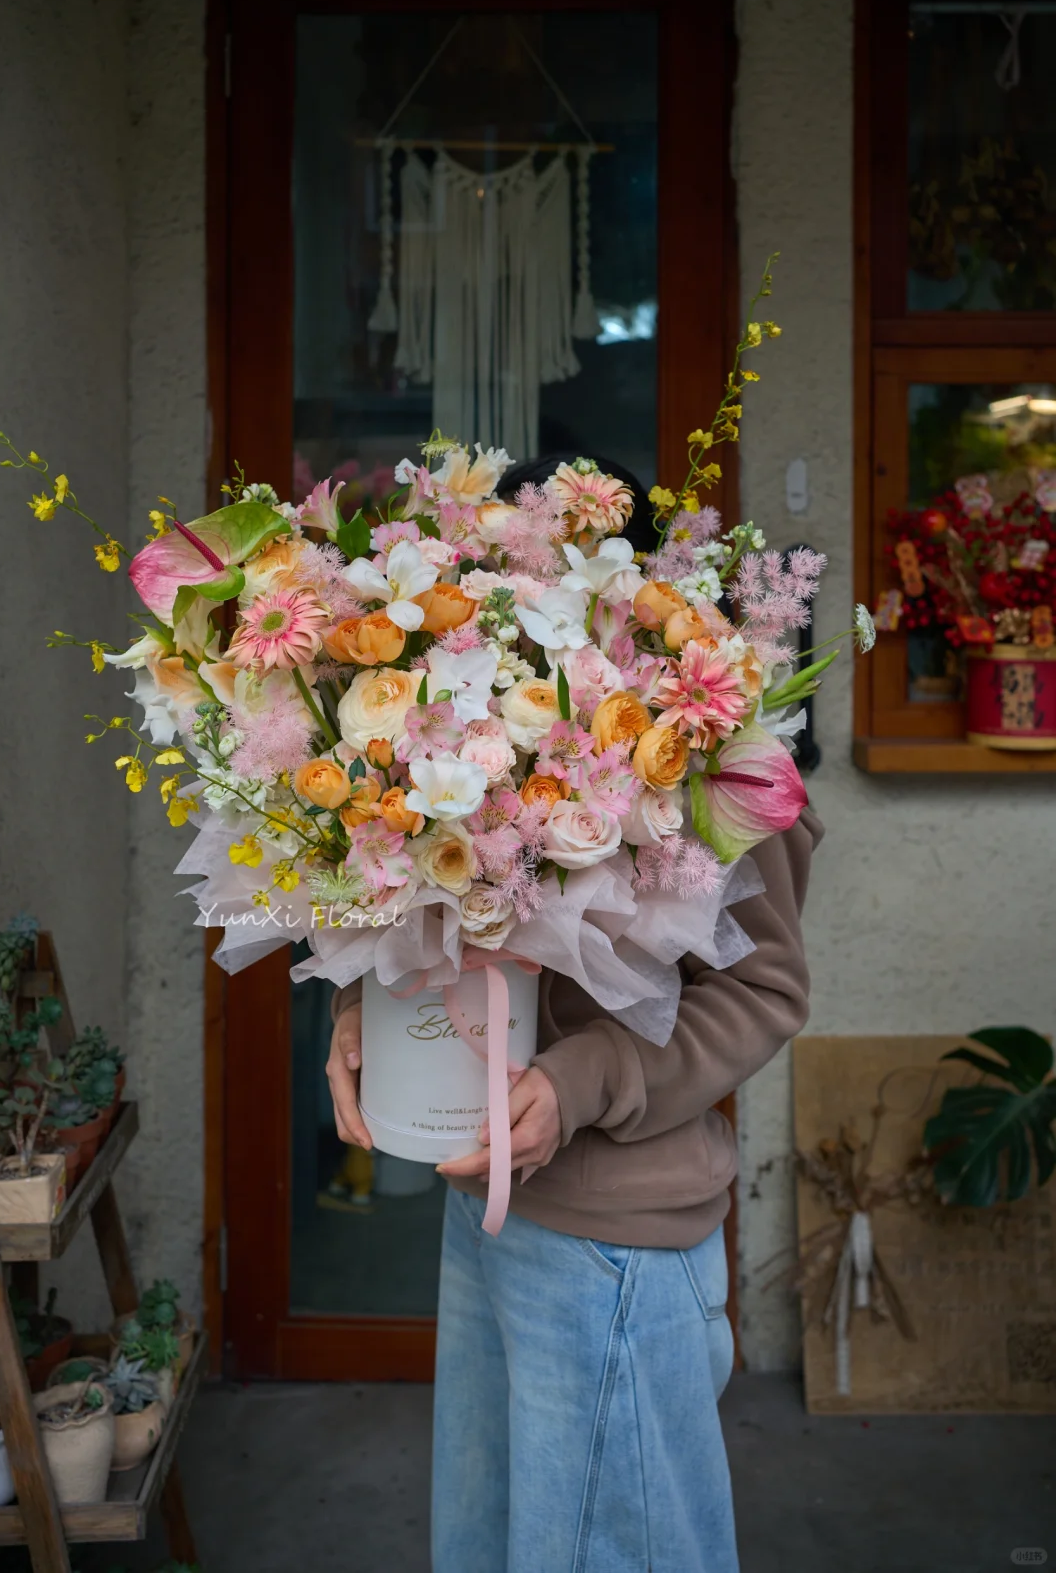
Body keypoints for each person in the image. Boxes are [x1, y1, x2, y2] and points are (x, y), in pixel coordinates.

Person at [327, 455, 822, 1573]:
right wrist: (365, 1007)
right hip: (489, 1218)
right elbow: (444, 928)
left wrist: (583, 1080)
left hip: (618, 1246)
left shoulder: (714, 751)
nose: (508, 597)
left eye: (536, 569)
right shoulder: (470, 726)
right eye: (497, 573)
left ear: (638, 585)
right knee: (490, 1547)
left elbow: (763, 989)